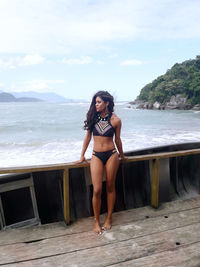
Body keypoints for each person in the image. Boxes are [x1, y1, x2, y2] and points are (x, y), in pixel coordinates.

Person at [77, 90, 125, 235]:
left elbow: (117, 140)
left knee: (110, 186)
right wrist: (82, 156)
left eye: (98, 102)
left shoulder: (116, 120)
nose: (96, 105)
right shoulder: (93, 118)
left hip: (111, 154)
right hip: (96, 155)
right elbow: (87, 138)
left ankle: (109, 218)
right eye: (95, 102)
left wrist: (122, 155)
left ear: (107, 103)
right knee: (97, 189)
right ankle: (96, 221)